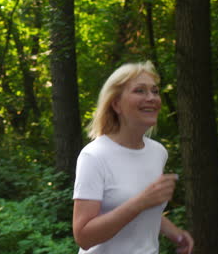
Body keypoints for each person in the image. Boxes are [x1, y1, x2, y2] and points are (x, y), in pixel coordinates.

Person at [72, 61, 193, 254]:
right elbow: (84, 237)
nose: (152, 98)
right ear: (116, 104)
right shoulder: (94, 156)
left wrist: (176, 234)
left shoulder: (158, 152)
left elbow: (142, 208)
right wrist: (141, 201)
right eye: (140, 91)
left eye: (155, 91)